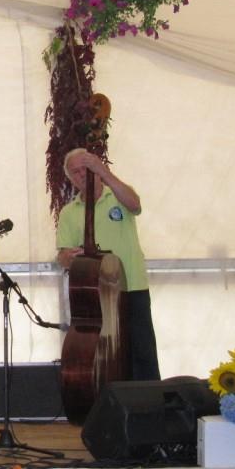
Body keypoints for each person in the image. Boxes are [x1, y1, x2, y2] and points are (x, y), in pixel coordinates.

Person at [56, 147, 160, 380]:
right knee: (106, 357)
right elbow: (61, 256)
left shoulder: (118, 195)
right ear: (70, 178)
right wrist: (68, 258)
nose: (81, 175)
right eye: (75, 172)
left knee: (142, 353)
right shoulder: (68, 213)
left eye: (85, 168)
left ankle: (149, 401)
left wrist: (104, 171)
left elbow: (135, 205)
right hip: (95, 294)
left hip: (131, 287)